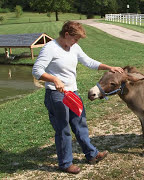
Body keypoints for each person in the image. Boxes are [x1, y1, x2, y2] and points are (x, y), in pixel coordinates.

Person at [32, 21, 124, 174]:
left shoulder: (74, 47)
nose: (76, 42)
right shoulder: (50, 48)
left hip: (72, 93)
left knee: (80, 124)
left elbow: (88, 61)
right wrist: (54, 80)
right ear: (66, 34)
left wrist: (109, 67)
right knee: (63, 130)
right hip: (56, 95)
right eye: (75, 38)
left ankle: (92, 155)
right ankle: (66, 164)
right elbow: (36, 71)